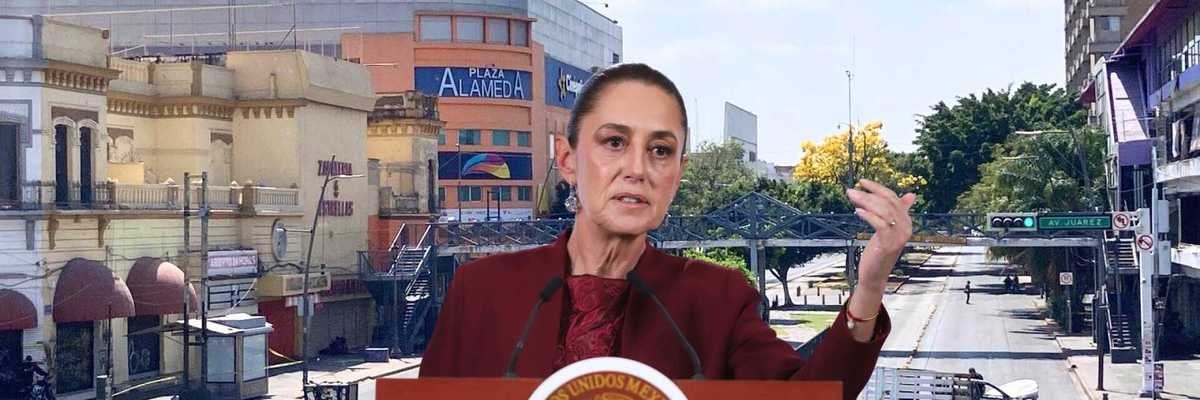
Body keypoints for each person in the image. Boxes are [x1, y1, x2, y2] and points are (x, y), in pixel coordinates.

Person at [420, 63, 917, 399]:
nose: (637, 169)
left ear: (678, 172)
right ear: (567, 160)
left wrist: (870, 286)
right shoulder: (481, 291)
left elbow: (808, 396)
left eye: (660, 150)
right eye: (614, 142)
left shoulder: (718, 299)